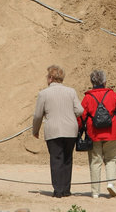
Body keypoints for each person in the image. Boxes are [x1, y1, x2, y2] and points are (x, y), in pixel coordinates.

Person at [33, 65, 84, 198]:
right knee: (67, 159)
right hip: (70, 130)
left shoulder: (43, 93)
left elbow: (38, 115)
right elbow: (80, 110)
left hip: (53, 130)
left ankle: (58, 190)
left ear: (50, 78)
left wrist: (35, 130)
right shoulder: (71, 91)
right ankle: (66, 190)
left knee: (56, 159)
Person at [79, 69, 116, 199]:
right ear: (104, 81)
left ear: (92, 82)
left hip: (94, 134)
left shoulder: (87, 97)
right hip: (111, 133)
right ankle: (110, 183)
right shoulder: (112, 95)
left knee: (95, 162)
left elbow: (81, 117)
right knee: (111, 159)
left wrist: (81, 132)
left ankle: (95, 192)